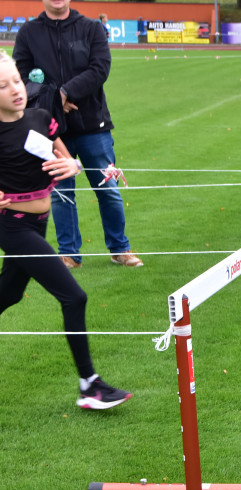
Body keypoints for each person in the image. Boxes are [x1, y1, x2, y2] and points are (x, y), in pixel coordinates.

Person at [0, 54, 131, 410]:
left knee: (7, 296)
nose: (15, 89)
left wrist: (70, 164)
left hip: (37, 225)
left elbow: (66, 161)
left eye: (16, 80)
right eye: (3, 85)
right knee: (74, 297)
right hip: (13, 230)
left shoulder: (40, 117)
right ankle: (90, 386)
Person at [14, 0, 143, 270]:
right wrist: (53, 99)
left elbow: (100, 69)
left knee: (107, 188)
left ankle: (120, 248)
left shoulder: (91, 28)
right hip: (50, 129)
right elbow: (23, 78)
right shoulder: (29, 32)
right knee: (62, 193)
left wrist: (66, 92)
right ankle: (69, 254)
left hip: (92, 124)